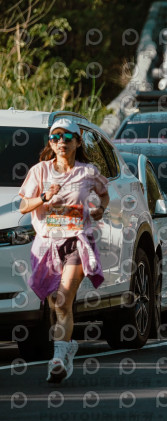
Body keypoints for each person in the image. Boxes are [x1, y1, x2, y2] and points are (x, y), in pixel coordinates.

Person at [18, 118, 109, 382]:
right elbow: (24, 207)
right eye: (55, 137)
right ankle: (67, 347)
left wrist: (100, 208)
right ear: (50, 142)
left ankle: (57, 358)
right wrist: (44, 197)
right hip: (47, 243)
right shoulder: (40, 171)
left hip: (76, 240)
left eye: (67, 137)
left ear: (78, 142)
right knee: (54, 303)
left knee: (64, 299)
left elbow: (104, 194)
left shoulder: (87, 172)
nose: (61, 142)